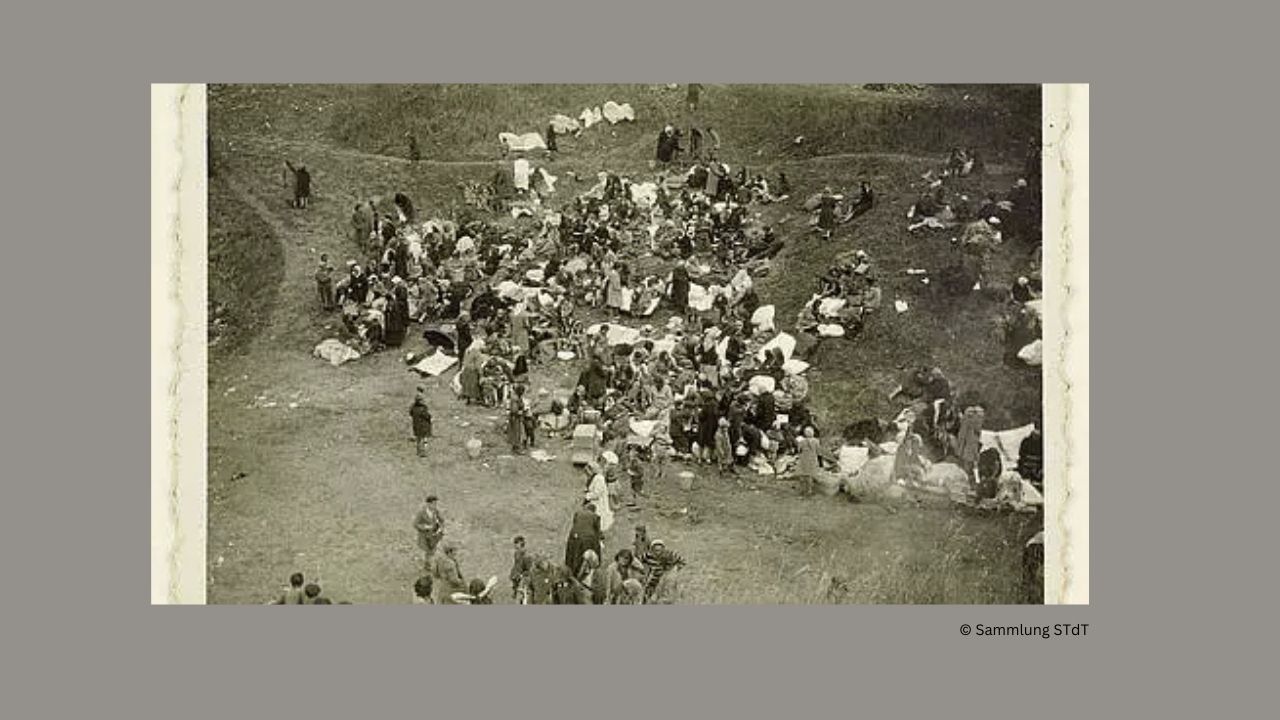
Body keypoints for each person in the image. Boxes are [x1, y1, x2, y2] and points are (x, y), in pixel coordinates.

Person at [564, 500, 603, 576]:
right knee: (587, 553)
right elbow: (597, 531)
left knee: (573, 553)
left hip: (574, 536)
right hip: (587, 538)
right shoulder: (596, 517)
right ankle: (587, 569)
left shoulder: (578, 513)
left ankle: (571, 569)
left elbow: (575, 524)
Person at [413, 494, 444, 568]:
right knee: (427, 550)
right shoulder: (421, 513)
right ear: (428, 504)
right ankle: (427, 565)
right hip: (424, 536)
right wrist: (426, 527)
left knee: (432, 550)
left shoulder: (435, 511)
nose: (435, 505)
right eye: (433, 504)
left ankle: (428, 564)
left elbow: (442, 520)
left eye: (436, 504)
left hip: (433, 535)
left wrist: (440, 526)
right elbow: (415, 524)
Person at [795, 425, 821, 496]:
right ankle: (809, 490)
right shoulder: (816, 441)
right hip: (812, 459)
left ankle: (802, 490)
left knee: (803, 475)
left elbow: (799, 450)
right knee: (810, 475)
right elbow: (818, 452)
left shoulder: (801, 441)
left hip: (804, 459)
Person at [410, 387, 433, 457]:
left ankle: (418, 451)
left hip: (416, 425)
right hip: (424, 426)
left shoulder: (413, 408)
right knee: (424, 439)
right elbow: (427, 416)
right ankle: (424, 451)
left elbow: (410, 413)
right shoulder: (423, 409)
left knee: (418, 439)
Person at [510, 536, 533, 603]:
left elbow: (528, 570)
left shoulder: (527, 556)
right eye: (515, 544)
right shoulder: (516, 553)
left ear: (521, 544)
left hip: (522, 579)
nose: (515, 546)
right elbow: (516, 564)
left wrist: (522, 575)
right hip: (516, 577)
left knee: (523, 596)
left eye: (517, 544)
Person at [507, 383, 529, 453]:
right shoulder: (515, 399)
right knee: (516, 433)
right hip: (515, 418)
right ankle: (516, 448)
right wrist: (522, 412)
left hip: (516, 417)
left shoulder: (517, 397)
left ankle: (516, 447)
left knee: (517, 432)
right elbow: (514, 410)